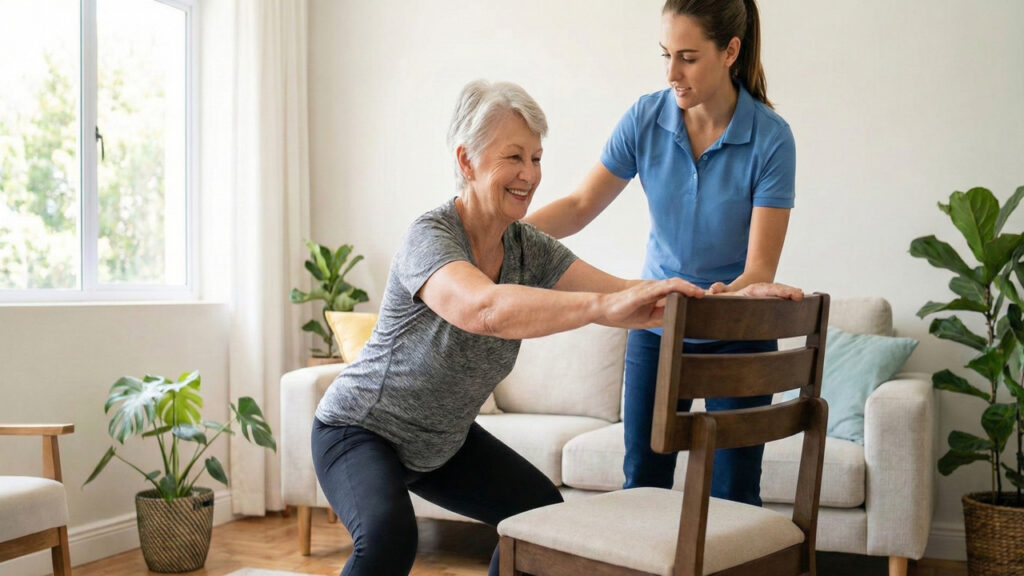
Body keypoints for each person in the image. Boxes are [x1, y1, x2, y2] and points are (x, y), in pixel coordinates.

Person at [312, 79, 705, 576]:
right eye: (513, 157)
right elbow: (484, 310)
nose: (529, 175)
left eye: (536, 158)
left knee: (538, 522)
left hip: (442, 442)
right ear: (466, 161)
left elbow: (630, 296)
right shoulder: (430, 236)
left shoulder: (529, 247)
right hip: (359, 429)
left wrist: (726, 297)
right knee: (390, 536)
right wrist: (599, 309)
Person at [524, 0, 802, 506]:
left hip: (736, 332)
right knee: (643, 491)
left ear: (730, 51)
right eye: (666, 54)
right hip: (658, 326)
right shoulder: (646, 118)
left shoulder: (770, 138)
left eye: (688, 57)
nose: (672, 72)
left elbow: (759, 268)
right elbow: (581, 205)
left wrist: (712, 298)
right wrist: (502, 232)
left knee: (733, 498)